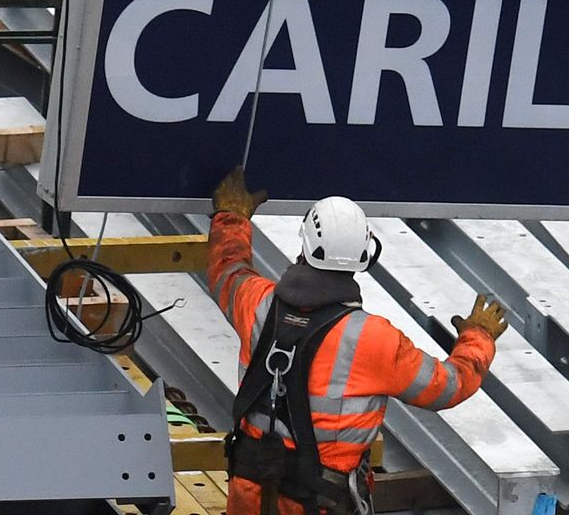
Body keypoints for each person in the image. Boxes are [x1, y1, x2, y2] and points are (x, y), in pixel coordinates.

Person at [207, 167, 508, 515]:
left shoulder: (257, 304)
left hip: (251, 496)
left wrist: (231, 216)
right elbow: (449, 385)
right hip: (321, 504)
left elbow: (227, 269)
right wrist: (478, 335)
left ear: (304, 245)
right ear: (364, 256)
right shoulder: (375, 340)